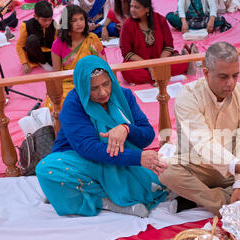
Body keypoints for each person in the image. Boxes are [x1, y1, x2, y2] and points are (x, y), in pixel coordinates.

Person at [36, 55, 169, 217]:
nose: (103, 92)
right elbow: (88, 148)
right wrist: (137, 158)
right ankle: (106, 202)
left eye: (106, 83)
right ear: (82, 87)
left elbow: (147, 135)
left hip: (118, 158)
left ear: (112, 79)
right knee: (46, 169)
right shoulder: (73, 104)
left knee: (170, 170)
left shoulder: (124, 96)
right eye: (93, 88)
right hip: (83, 159)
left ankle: (95, 192)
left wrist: (126, 128)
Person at [158, 42, 240, 216]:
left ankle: (206, 198)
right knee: (165, 170)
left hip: (233, 169)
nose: (231, 83)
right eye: (223, 77)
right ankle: (225, 201)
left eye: (235, 76)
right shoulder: (188, 96)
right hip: (197, 166)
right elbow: (204, 144)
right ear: (206, 73)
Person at [44, 4, 107, 111]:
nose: (79, 23)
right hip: (69, 83)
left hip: (92, 80)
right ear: (66, 23)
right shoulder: (58, 44)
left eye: (81, 19)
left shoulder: (92, 39)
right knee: (60, 103)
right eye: (74, 20)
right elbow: (57, 73)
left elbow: (103, 64)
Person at [119, 0, 189, 85]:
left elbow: (169, 46)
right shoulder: (127, 24)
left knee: (182, 63)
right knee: (128, 71)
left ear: (147, 9)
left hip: (161, 59)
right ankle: (165, 77)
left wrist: (158, 64)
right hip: (140, 63)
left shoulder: (160, 20)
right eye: (131, 6)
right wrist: (148, 66)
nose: (132, 10)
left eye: (136, 7)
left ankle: (153, 78)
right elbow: (126, 52)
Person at [15, 1, 56, 74]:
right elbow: (20, 46)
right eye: (44, 20)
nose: (47, 23)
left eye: (50, 19)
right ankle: (42, 63)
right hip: (35, 55)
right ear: (35, 17)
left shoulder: (54, 24)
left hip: (49, 54)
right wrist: (24, 63)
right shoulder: (26, 25)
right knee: (32, 40)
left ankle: (47, 62)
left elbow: (57, 43)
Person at [166, 0, 231, 34]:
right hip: (188, 19)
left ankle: (190, 29)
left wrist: (211, 21)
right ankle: (197, 28)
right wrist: (184, 22)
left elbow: (213, 7)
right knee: (170, 16)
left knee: (220, 20)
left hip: (203, 18)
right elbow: (180, 8)